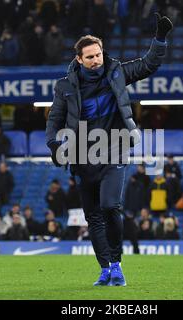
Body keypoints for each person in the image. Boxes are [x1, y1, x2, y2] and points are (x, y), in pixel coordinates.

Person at [45, 12, 173, 287]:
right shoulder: (65, 86)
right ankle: (105, 269)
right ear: (79, 59)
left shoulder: (117, 73)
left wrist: (159, 39)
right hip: (81, 157)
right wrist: (54, 143)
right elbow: (55, 119)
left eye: (98, 54)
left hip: (114, 150)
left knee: (110, 206)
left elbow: (148, 65)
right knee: (93, 217)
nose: (96, 60)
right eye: (90, 57)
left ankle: (117, 264)